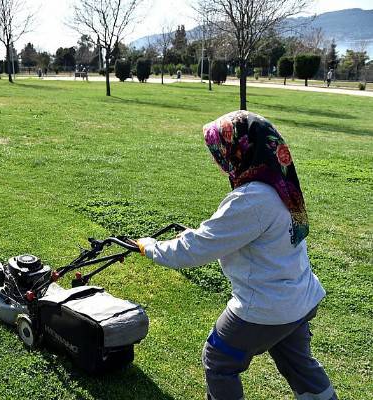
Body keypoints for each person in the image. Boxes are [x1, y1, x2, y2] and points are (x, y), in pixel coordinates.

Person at [133, 111, 337, 400]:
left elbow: (196, 249)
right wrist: (202, 235)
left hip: (268, 306)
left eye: (218, 151)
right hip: (300, 297)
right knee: (299, 364)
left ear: (239, 149)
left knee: (218, 359)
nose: (217, 158)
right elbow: (249, 236)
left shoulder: (252, 198)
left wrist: (150, 247)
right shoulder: (280, 183)